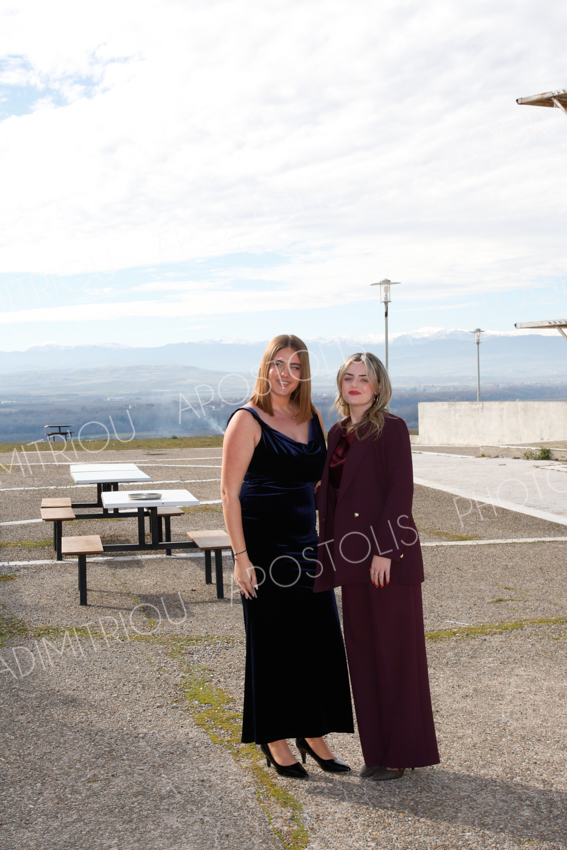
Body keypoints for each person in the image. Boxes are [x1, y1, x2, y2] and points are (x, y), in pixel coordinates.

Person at [221, 334, 353, 779]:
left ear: (304, 374)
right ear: (265, 367)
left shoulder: (312, 415)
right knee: (273, 646)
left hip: (306, 546)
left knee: (318, 640)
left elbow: (319, 482)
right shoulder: (246, 419)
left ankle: (312, 732)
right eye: (278, 364)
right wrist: (241, 557)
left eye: (295, 366)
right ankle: (274, 738)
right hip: (263, 552)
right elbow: (229, 493)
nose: (285, 374)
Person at [314, 352, 439, 780]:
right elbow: (331, 494)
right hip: (350, 562)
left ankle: (402, 752)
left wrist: (384, 551)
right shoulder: (337, 433)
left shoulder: (392, 428)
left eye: (364, 378)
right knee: (364, 655)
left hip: (388, 562)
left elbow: (400, 493)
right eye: (348, 377)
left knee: (396, 657)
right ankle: (377, 752)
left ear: (378, 386)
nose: (355, 384)